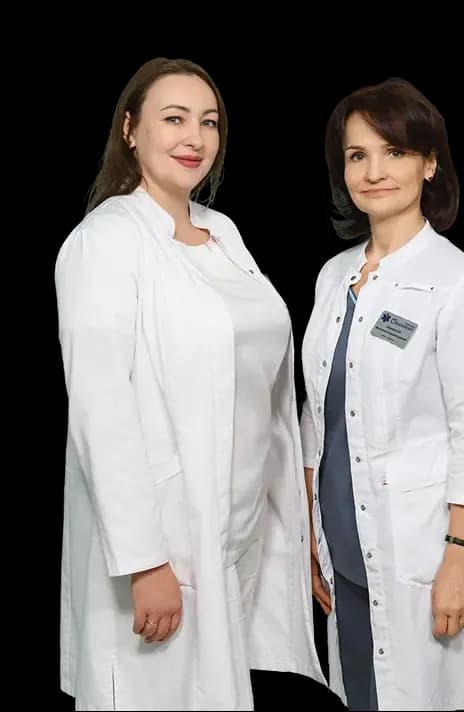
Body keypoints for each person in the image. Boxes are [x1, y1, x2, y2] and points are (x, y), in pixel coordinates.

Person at [54, 57, 325, 710]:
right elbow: (101, 410)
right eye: (173, 118)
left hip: (232, 535)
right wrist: (145, 562)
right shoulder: (105, 241)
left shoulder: (222, 233)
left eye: (209, 123)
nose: (194, 138)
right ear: (130, 129)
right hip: (163, 545)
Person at [298, 77, 464, 711]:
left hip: (419, 554)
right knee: (360, 693)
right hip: (342, 548)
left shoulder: (459, 282)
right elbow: (315, 417)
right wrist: (309, 533)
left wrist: (460, 557)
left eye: (394, 152)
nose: (374, 171)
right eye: (357, 155)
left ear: (429, 163)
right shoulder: (333, 276)